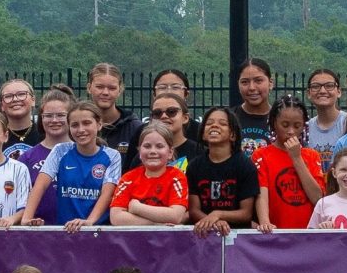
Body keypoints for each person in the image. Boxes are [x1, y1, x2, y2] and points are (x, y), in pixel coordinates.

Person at [24, 100, 119, 230]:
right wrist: (26, 218)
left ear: (99, 124)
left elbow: (107, 194)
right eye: (75, 125)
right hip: (65, 231)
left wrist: (89, 222)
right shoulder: (60, 150)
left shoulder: (112, 155)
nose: (81, 129)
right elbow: (40, 185)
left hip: (97, 231)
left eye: (86, 123)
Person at [185, 106, 262, 234]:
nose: (214, 126)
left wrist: (218, 214)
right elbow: (193, 210)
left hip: (239, 238)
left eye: (223, 123)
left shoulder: (245, 165)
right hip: (205, 235)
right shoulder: (194, 166)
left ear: (233, 135)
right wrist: (213, 221)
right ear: (203, 133)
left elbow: (246, 213)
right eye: (209, 123)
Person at [253, 99, 325, 231]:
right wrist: (265, 222)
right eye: (285, 125)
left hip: (307, 233)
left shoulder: (312, 155)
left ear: (304, 126)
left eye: (297, 126)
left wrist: (296, 158)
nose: (291, 131)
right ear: (274, 123)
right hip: (275, 231)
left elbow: (317, 198)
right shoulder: (261, 155)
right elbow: (261, 192)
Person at [109, 128, 191, 226]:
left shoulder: (176, 177)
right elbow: (116, 218)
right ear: (139, 152)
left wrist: (137, 208)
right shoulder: (128, 178)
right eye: (147, 146)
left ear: (170, 152)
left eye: (159, 146)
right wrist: (156, 224)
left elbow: (176, 216)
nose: (152, 151)